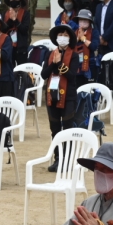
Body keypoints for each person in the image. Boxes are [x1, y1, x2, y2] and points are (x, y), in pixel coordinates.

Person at [42, 24, 88, 171]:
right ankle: (58, 159)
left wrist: (60, 63)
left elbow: (72, 76)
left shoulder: (74, 55)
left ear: (70, 38)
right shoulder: (50, 54)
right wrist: (53, 64)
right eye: (60, 34)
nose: (62, 37)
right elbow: (44, 74)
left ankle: (67, 160)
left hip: (68, 96)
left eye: (66, 35)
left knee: (67, 129)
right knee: (55, 129)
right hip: (51, 94)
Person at [3, 0, 30, 65]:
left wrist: (16, 20)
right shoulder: (5, 14)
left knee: (21, 70)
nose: (13, 1)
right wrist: (11, 20)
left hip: (21, 48)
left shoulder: (26, 14)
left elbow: (25, 29)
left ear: (20, 1)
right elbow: (3, 29)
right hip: (8, 47)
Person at [72, 9, 100, 79]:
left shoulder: (94, 32)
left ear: (89, 22)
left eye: (85, 20)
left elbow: (94, 46)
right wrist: (78, 38)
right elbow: (70, 47)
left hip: (90, 64)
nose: (82, 22)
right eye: (80, 20)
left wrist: (83, 38)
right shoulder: (74, 32)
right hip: (76, 64)